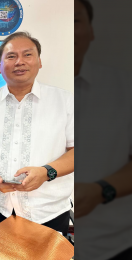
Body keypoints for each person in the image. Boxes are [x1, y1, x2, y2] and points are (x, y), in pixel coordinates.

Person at [0, 32, 74, 237]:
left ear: (39, 62)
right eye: (11, 56)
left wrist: (46, 172)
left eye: (27, 55)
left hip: (46, 208)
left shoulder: (65, 102)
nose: (19, 62)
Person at [74, 0, 132, 259]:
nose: (66, 30)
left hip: (114, 246)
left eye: (75, 21)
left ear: (91, 30)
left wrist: (101, 190)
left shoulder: (125, 89)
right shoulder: (6, 95)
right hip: (30, 244)